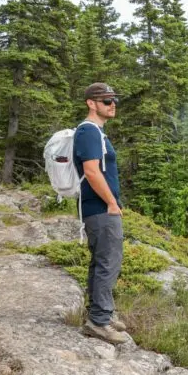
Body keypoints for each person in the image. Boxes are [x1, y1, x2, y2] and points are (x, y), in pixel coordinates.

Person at [73, 83, 129, 345]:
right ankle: (99, 321)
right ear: (91, 103)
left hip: (99, 209)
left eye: (113, 99)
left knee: (101, 262)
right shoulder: (89, 132)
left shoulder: (95, 132)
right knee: (109, 262)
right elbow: (92, 171)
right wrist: (111, 203)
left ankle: (100, 312)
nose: (112, 104)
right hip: (100, 209)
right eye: (107, 100)